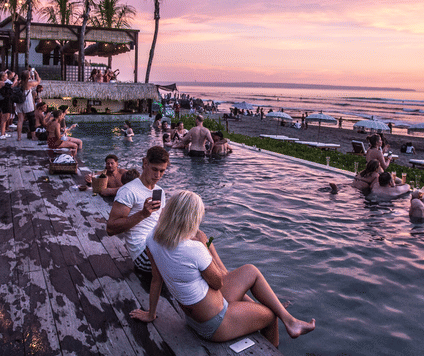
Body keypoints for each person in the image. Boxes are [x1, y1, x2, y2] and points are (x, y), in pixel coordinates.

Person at [130, 190, 315, 347]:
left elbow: (156, 279)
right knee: (270, 316)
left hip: (195, 317)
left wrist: (151, 314)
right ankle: (275, 342)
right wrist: (206, 245)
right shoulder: (193, 249)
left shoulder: (152, 237)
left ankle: (289, 320)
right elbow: (218, 282)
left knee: (250, 271)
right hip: (215, 324)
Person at [106, 146, 169, 273]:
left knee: (200, 239)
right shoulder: (128, 190)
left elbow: (162, 223)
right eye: (154, 169)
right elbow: (110, 229)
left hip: (158, 244)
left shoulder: (159, 191)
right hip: (143, 254)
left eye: (162, 171)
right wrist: (142, 214)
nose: (158, 175)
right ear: (145, 163)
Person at [15, 68, 40, 141]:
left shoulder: (19, 83)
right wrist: (36, 73)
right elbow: (38, 81)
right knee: (31, 119)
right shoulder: (29, 83)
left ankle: (19, 137)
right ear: (28, 76)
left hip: (19, 102)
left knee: (20, 120)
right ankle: (33, 136)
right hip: (27, 102)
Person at [0, 70, 16, 139]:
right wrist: (15, 80)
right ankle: (2, 134)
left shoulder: (3, 82)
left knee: (6, 117)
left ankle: (4, 132)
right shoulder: (1, 83)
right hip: (5, 101)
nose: (6, 78)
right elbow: (12, 86)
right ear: (2, 77)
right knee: (4, 118)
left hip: (7, 100)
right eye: (5, 77)